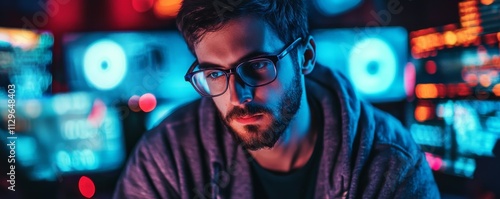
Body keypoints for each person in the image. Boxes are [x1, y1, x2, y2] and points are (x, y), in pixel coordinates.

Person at [113, 0, 440, 198]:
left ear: (306, 56)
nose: (237, 96)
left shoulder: (388, 164)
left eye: (256, 66)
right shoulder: (165, 159)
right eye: (214, 74)